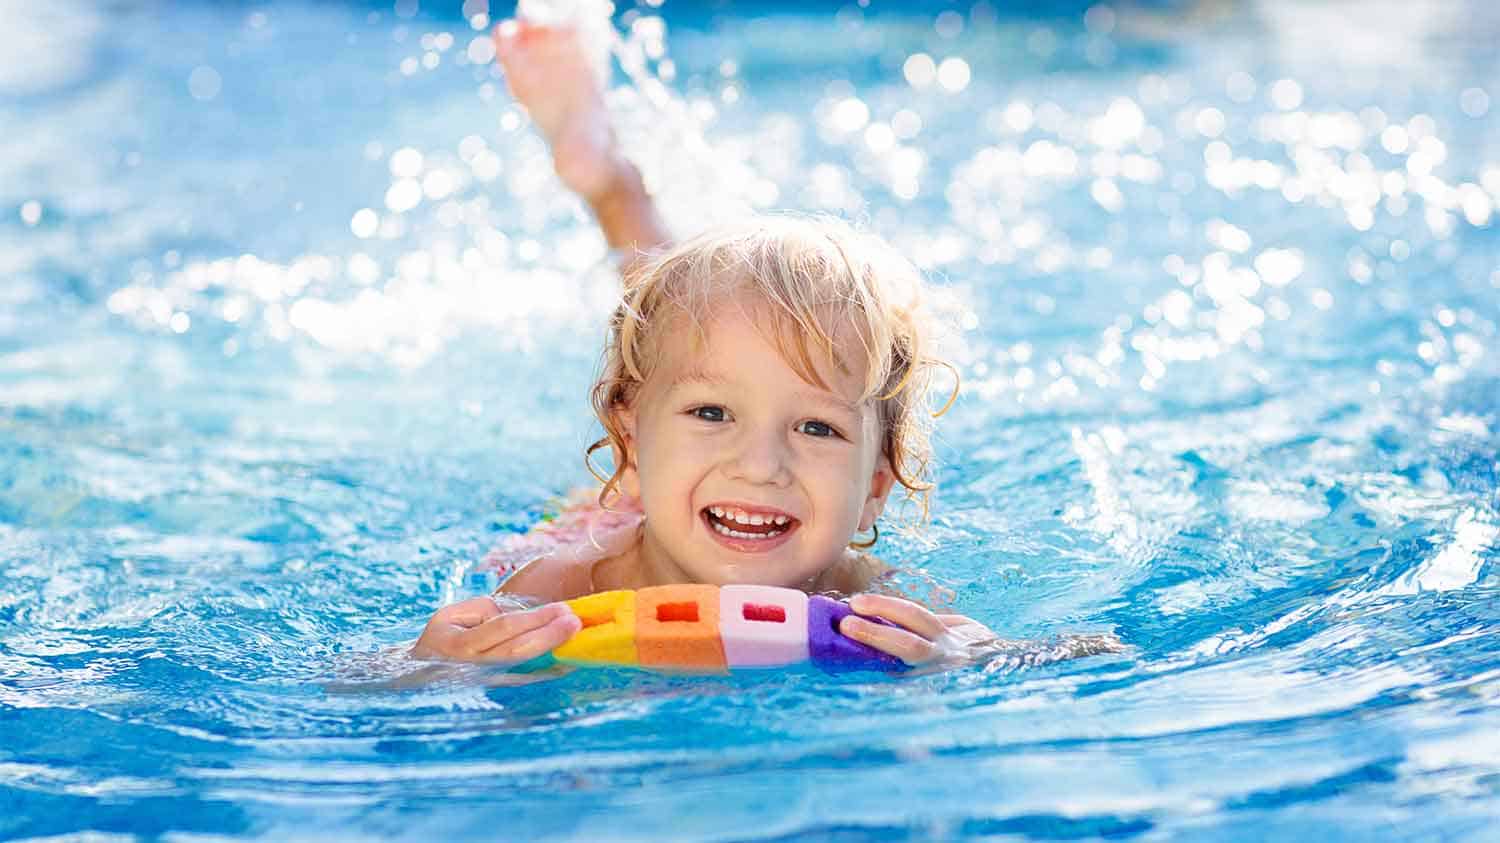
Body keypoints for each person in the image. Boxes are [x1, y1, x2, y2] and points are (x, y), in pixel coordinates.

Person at [410, 18, 1116, 671]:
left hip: (670, 473)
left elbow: (1089, 651)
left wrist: (977, 654)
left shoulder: (875, 600)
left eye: (818, 426)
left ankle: (611, 183)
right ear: (624, 435)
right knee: (672, 329)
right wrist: (431, 663)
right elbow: (354, 688)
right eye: (712, 414)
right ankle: (607, 178)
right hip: (621, 504)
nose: (760, 466)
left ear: (876, 483)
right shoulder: (557, 582)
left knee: (692, 345)